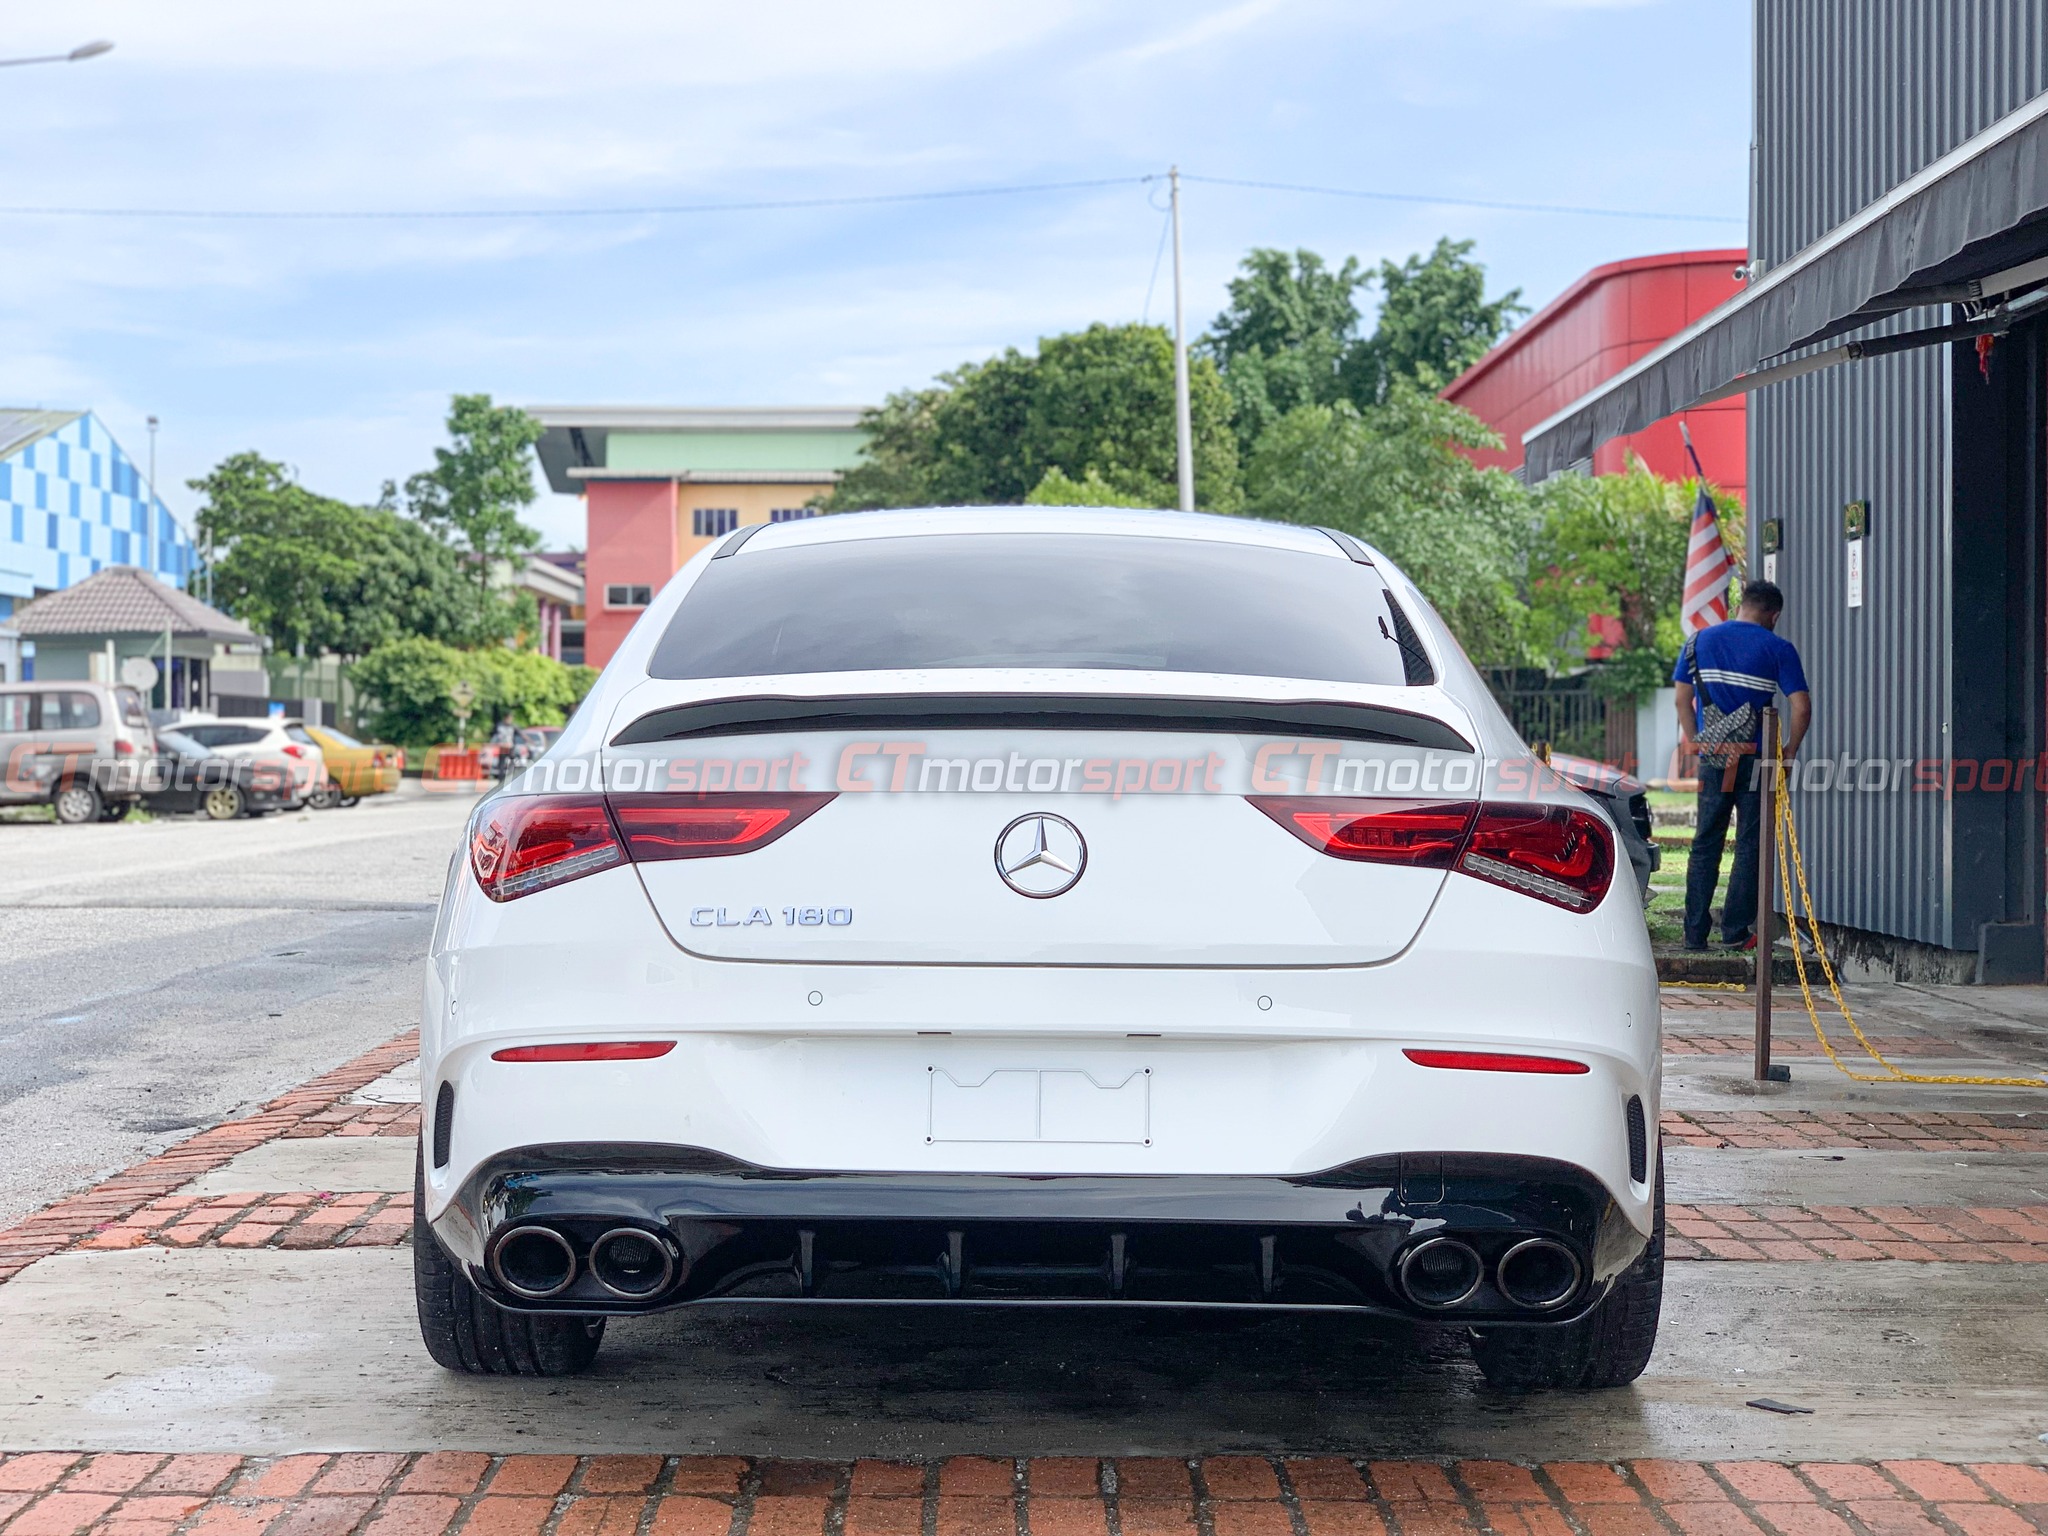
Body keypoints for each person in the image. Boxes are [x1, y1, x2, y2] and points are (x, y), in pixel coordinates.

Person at [1673, 579, 1812, 951]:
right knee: (1751, 843)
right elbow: (1801, 706)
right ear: (1774, 614)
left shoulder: (1696, 643)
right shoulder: (1778, 648)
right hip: (1757, 757)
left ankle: (1694, 934)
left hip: (1715, 757)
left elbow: (1682, 700)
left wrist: (1696, 741)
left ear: (1740, 605)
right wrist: (1790, 751)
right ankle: (1735, 932)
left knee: (1706, 842)